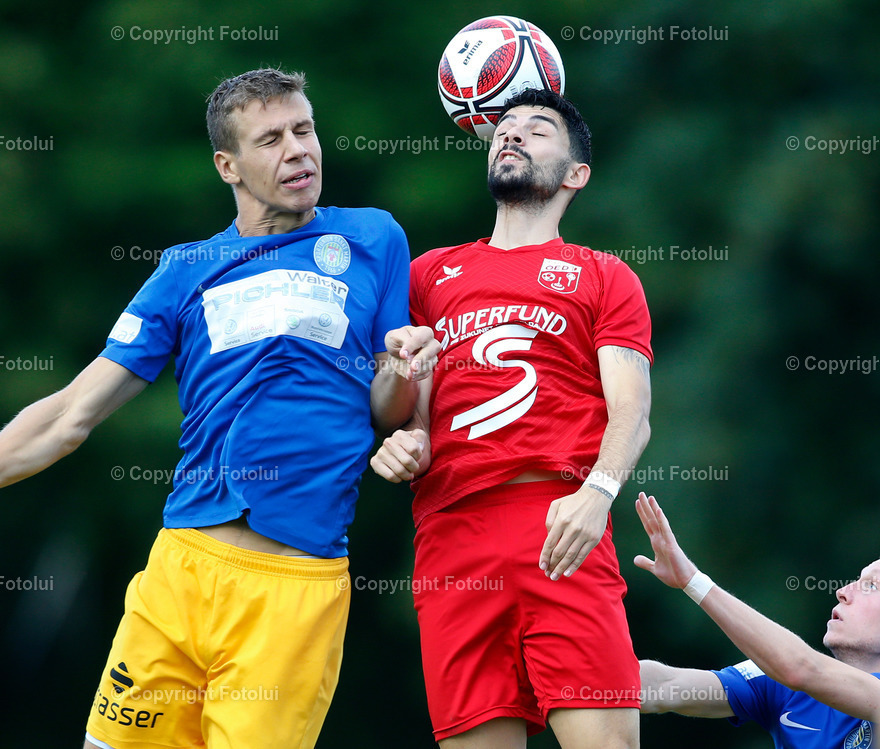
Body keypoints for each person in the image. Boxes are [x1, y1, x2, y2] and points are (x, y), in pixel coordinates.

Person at [0, 68, 438, 749]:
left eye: (304, 129)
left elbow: (387, 408)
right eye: (271, 139)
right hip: (180, 570)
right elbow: (71, 413)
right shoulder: (184, 268)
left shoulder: (374, 238)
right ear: (226, 165)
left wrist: (403, 371)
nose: (298, 149)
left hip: (293, 587)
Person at [371, 87, 652, 748]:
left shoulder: (603, 275)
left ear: (576, 174)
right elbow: (394, 408)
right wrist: (399, 414)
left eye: (538, 128)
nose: (512, 134)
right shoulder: (427, 275)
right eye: (504, 126)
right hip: (451, 535)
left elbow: (632, 413)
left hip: (560, 525)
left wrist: (598, 493)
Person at [635, 492, 880, 747]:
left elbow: (800, 668)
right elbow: (664, 685)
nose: (842, 591)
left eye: (872, 585)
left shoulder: (802, 674)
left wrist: (693, 581)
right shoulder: (781, 686)